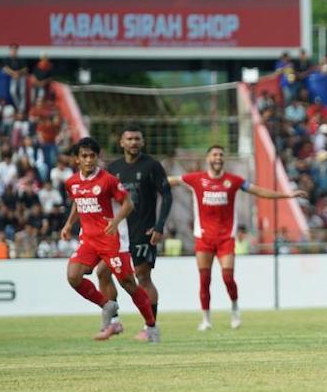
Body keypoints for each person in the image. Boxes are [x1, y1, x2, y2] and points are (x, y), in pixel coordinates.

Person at [168, 146, 306, 330]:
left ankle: (234, 309)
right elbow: (173, 180)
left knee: (227, 277)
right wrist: (148, 180)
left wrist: (286, 195)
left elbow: (259, 191)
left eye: (221, 155)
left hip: (225, 238)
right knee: (204, 280)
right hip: (203, 238)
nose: (218, 157)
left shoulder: (233, 181)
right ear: (208, 158)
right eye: (214, 155)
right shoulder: (196, 179)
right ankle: (206, 319)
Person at [60, 137, 159, 342]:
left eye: (92, 156)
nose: (89, 160)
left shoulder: (108, 180)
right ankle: (107, 306)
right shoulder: (72, 182)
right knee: (73, 276)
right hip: (89, 240)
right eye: (84, 156)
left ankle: (151, 327)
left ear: (97, 157)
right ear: (77, 159)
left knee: (128, 284)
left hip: (113, 240)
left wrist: (116, 221)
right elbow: (78, 202)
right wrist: (69, 224)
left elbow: (128, 203)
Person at [93, 125, 172, 339]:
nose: (133, 142)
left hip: (143, 231)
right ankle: (114, 323)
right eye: (129, 139)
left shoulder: (152, 166)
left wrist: (159, 225)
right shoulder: (113, 168)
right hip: (118, 233)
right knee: (102, 272)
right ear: (122, 142)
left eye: (137, 139)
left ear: (142, 142)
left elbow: (167, 195)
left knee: (142, 277)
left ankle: (150, 327)